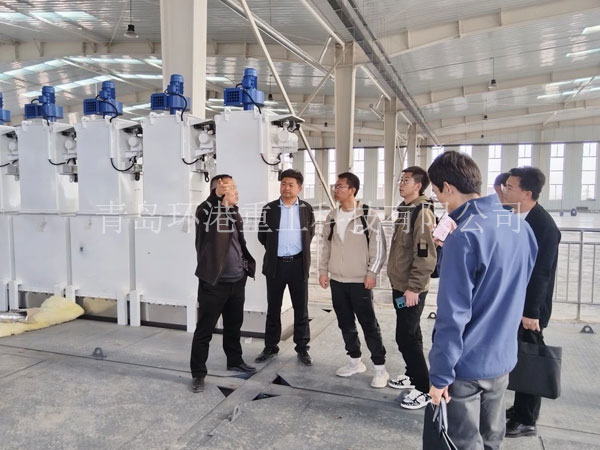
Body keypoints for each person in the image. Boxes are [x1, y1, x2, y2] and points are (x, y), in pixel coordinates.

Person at [426, 151, 538, 450]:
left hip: (466, 366)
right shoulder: (520, 226)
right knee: (491, 439)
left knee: (462, 443)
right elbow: (518, 287)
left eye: (437, 192)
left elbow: (453, 315)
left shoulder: (464, 236)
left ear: (448, 187)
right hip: (502, 359)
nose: (438, 200)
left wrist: (440, 376)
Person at [502, 167, 562, 438]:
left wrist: (531, 312)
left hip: (530, 309)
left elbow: (542, 272)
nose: (504, 191)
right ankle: (519, 408)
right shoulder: (515, 216)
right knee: (518, 357)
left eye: (510, 187)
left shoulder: (544, 226)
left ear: (527, 193)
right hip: (515, 302)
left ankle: (526, 419)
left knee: (530, 360)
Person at [318, 172, 389, 388]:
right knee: (345, 323)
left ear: (352, 190)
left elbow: (378, 248)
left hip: (360, 281)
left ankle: (380, 368)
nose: (335, 190)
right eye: (335, 186)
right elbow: (325, 246)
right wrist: (323, 271)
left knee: (369, 324)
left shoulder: (368, 216)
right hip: (338, 281)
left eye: (340, 186)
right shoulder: (332, 216)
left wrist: (372, 273)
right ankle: (355, 361)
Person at [190, 174, 257, 393]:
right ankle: (198, 374)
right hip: (214, 283)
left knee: (233, 325)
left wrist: (245, 268)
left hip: (237, 281)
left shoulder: (234, 212)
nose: (236, 192)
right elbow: (206, 210)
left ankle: (235, 360)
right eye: (231, 188)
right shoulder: (206, 213)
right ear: (218, 191)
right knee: (205, 330)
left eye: (236, 187)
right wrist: (215, 197)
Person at [386, 166, 438, 409]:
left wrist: (414, 288)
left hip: (411, 287)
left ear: (418, 185)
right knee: (412, 332)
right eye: (400, 179)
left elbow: (425, 255)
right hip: (401, 284)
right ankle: (412, 373)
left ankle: (423, 388)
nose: (401, 183)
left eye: (406, 180)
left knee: (406, 337)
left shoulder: (422, 213)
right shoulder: (406, 209)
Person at [255, 169, 315, 366]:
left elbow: (310, 234)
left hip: (298, 265)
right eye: (283, 184)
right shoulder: (269, 209)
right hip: (276, 265)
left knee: (301, 308)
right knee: (273, 308)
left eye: (291, 185)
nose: (286, 188)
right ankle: (270, 347)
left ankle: (302, 348)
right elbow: (262, 236)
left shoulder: (306, 209)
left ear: (299, 188)